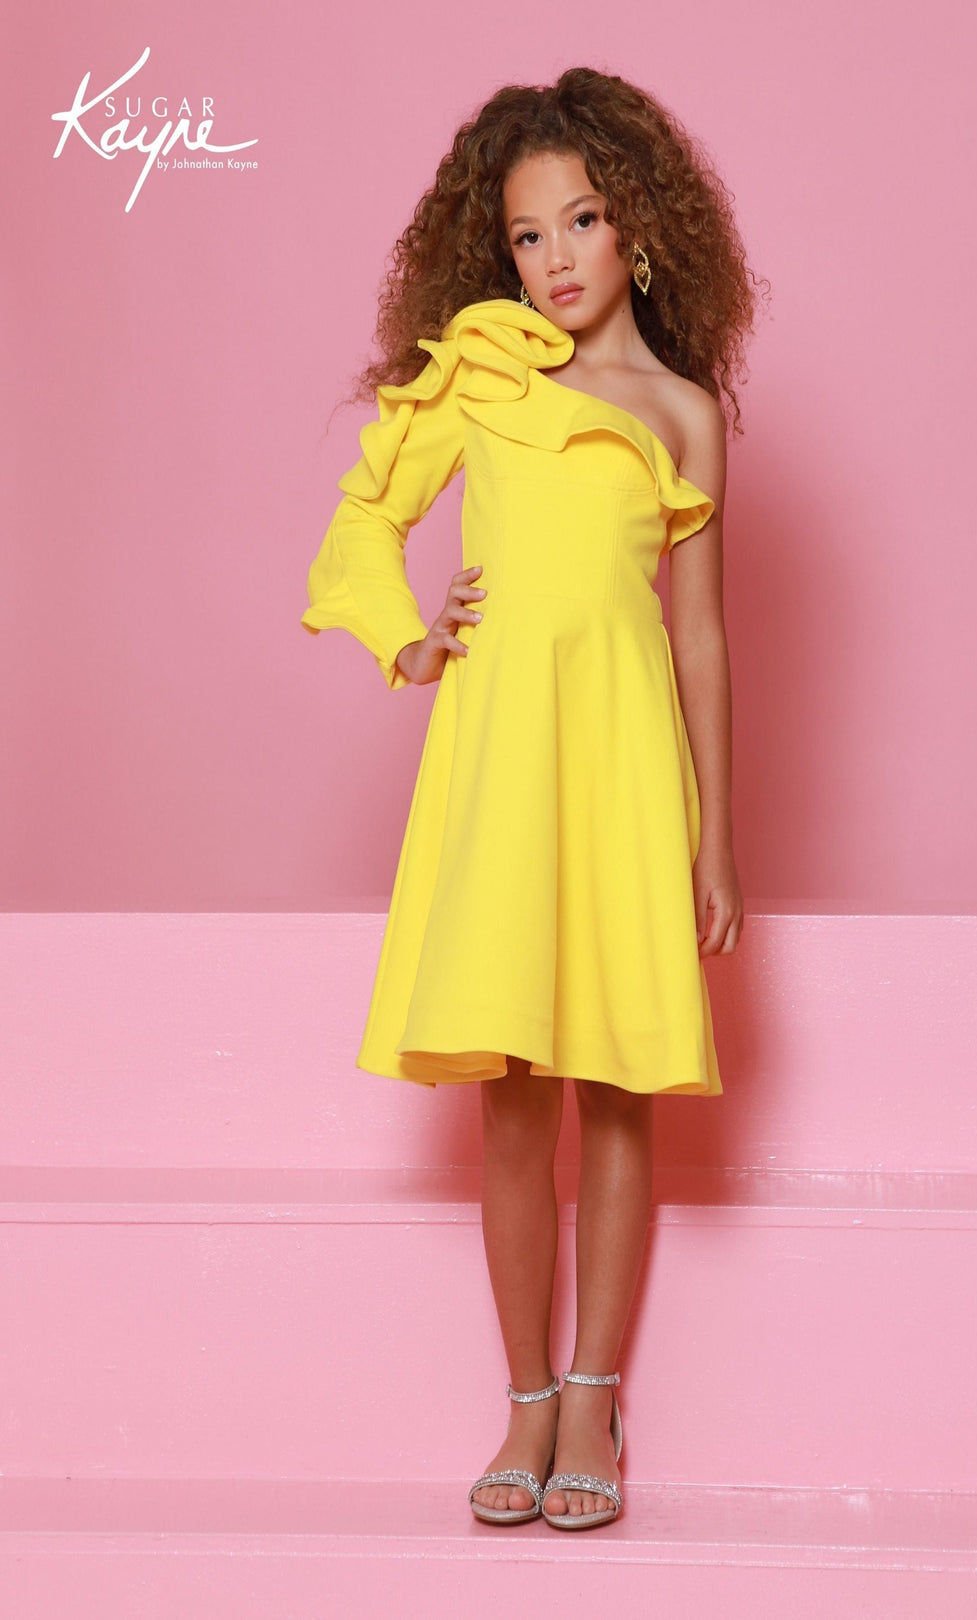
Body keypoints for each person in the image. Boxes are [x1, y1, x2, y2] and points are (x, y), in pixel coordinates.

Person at [301, 67, 763, 1530]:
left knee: (617, 1088)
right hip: (504, 760)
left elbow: (700, 634)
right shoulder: (484, 376)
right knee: (513, 1094)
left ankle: (593, 1401)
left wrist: (719, 832)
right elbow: (368, 516)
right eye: (525, 234)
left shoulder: (682, 413)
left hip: (623, 765)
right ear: (493, 251)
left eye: (582, 220)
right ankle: (520, 1399)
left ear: (641, 227)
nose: (556, 257)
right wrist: (406, 638)